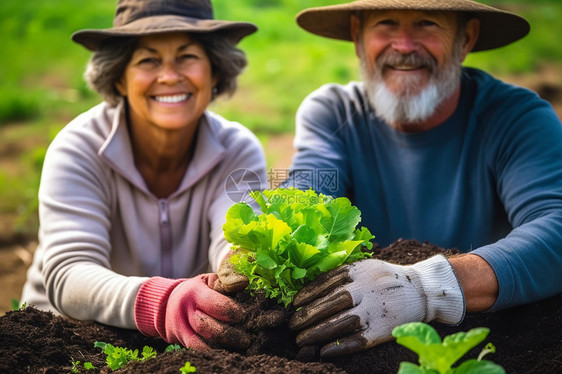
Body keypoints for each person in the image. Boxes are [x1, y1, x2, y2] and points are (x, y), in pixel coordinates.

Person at [277, 0, 562, 358]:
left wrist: (429, 288)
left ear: (466, 38)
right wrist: (248, 250)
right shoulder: (334, 113)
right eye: (386, 23)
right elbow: (306, 195)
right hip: (359, 343)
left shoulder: (515, 118)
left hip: (488, 345)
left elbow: (556, 226)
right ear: (357, 36)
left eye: (427, 23)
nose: (405, 46)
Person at [20, 0, 267, 351]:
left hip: (192, 335)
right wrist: (163, 302)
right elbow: (68, 275)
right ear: (119, 77)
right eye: (148, 60)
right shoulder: (79, 147)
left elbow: (234, 237)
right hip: (70, 339)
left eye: (187, 57)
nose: (169, 76)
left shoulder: (239, 148)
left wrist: (241, 261)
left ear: (215, 72)